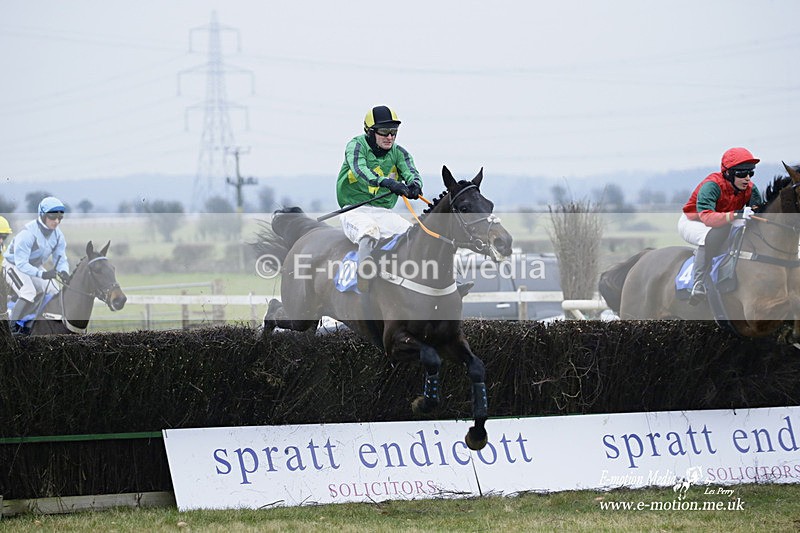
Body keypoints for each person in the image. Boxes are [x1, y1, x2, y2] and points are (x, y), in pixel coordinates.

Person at [336, 105, 424, 291]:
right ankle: (365, 271)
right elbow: (360, 170)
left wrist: (415, 185)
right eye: (384, 131)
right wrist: (387, 182)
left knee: (415, 235)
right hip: (353, 210)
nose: (390, 137)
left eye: (393, 132)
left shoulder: (400, 153)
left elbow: (411, 172)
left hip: (384, 213)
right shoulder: (357, 145)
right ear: (369, 131)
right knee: (370, 229)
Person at [679, 147, 763, 304]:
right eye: (741, 174)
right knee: (708, 237)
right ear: (729, 173)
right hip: (694, 221)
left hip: (723, 220)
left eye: (750, 173)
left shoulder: (751, 189)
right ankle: (699, 282)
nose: (747, 178)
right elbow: (708, 218)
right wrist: (737, 214)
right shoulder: (711, 186)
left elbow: (757, 212)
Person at [3, 197, 71, 335]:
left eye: (60, 218)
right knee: (28, 292)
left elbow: (61, 258)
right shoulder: (27, 234)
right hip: (14, 265)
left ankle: (41, 324)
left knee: (54, 291)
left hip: (34, 266)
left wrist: (64, 271)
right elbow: (21, 264)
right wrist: (43, 274)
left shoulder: (58, 236)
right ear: (43, 215)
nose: (57, 221)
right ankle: (10, 330)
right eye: (53, 217)